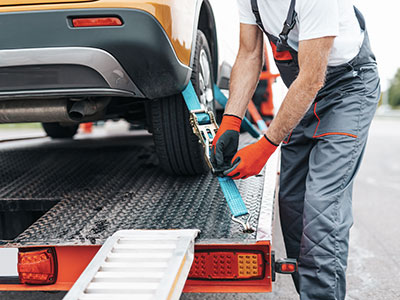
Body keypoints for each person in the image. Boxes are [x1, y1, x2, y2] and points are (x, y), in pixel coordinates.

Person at [210, 0, 381, 299]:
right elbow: (249, 54)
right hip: (305, 93)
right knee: (293, 207)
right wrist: (231, 121)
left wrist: (265, 147)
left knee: (321, 209)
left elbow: (313, 76)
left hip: (347, 89)